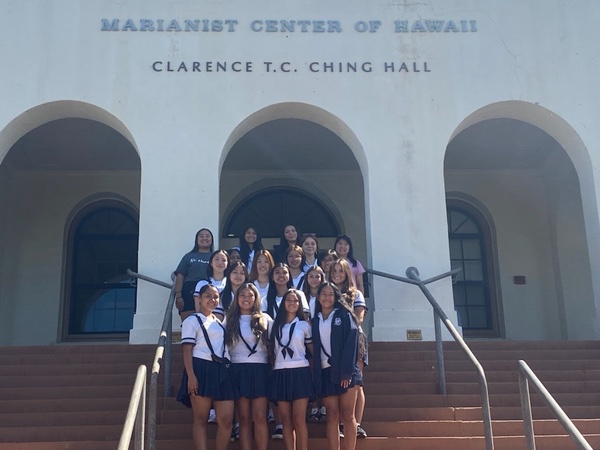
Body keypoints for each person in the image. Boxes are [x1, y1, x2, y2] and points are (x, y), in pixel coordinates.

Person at [176, 284, 238, 450]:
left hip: (222, 370)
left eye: (215, 297)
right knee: (201, 418)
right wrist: (191, 375)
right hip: (201, 367)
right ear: (199, 299)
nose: (212, 300)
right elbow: (187, 348)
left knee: (226, 419)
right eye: (208, 296)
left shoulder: (218, 322)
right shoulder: (191, 320)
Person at [312, 282, 362, 450]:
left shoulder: (344, 315)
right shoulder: (315, 320)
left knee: (347, 415)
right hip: (326, 372)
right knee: (332, 415)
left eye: (330, 294)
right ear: (318, 298)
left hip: (346, 373)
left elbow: (351, 342)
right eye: (323, 294)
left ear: (336, 297)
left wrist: (346, 372)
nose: (327, 297)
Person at [225, 283, 273, 450]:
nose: (246, 299)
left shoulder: (265, 319)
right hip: (238, 369)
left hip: (260, 369)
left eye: (250, 295)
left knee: (260, 416)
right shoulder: (229, 320)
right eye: (242, 295)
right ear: (237, 298)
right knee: (244, 418)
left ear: (256, 298)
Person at [268, 289, 314, 450]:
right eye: (288, 300)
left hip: (300, 372)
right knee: (286, 419)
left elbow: (312, 351)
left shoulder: (304, 325)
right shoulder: (274, 325)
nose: (292, 303)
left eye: (295, 301)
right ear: (283, 302)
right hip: (280, 372)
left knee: (299, 418)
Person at [329, 258, 369, 439]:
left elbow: (358, 319)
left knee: (356, 382)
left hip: (354, 338)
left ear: (347, 273)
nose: (337, 274)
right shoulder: (327, 292)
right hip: (333, 340)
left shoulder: (355, 294)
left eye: (341, 271)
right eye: (334, 271)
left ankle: (356, 423)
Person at [174, 228, 215, 321]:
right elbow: (180, 276)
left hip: (208, 290)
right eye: (201, 236)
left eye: (207, 236)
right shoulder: (189, 256)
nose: (204, 238)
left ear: (212, 240)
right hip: (189, 290)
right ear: (196, 240)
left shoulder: (215, 257)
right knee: (189, 321)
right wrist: (178, 295)